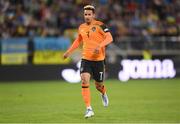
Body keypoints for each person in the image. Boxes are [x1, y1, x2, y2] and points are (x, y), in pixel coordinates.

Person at [63, 5, 113, 118]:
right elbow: (78, 41)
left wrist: (100, 46)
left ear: (93, 15)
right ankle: (89, 109)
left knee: (98, 85)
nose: (87, 16)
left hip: (99, 60)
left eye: (89, 14)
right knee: (84, 80)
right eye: (85, 14)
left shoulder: (101, 25)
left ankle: (103, 92)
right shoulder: (81, 27)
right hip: (86, 59)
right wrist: (68, 52)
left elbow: (110, 38)